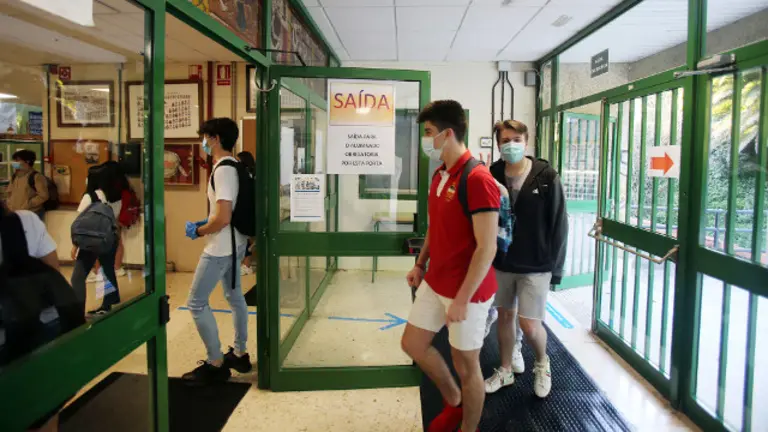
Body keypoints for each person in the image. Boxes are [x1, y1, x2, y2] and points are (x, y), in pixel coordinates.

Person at [401, 100, 500, 432]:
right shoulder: (440, 175)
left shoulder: (477, 178)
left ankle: (468, 428)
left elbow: (487, 248)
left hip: (468, 292)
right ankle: (454, 400)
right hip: (436, 280)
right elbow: (434, 226)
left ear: (448, 133)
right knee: (413, 344)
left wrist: (462, 299)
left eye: (429, 133)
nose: (427, 140)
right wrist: (420, 264)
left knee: (466, 364)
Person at [483, 120, 568, 399]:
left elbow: (559, 224)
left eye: (516, 139)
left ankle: (542, 363)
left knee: (530, 324)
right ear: (497, 144)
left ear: (527, 141)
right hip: (503, 261)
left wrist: (556, 269)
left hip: (536, 263)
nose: (511, 144)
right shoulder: (491, 173)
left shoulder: (546, 176)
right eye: (505, 139)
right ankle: (506, 369)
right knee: (505, 316)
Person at [182, 118, 251, 384]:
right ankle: (240, 353)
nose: (204, 142)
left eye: (206, 137)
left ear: (216, 139)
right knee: (234, 298)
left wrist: (200, 231)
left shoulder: (222, 169)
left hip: (220, 248)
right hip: (236, 242)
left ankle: (215, 362)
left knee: (196, 302)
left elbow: (222, 216)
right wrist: (207, 222)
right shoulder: (235, 166)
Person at [70, 169, 122, 315]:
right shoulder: (114, 196)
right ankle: (108, 304)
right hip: (109, 238)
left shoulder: (89, 196)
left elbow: (81, 223)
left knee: (78, 277)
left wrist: (75, 246)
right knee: (107, 270)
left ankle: (78, 312)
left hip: (91, 239)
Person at [6, 149, 49, 220]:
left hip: (32, 214)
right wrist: (10, 204)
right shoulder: (15, 176)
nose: (15, 163)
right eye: (14, 160)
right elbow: (9, 192)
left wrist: (28, 204)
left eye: (17, 160)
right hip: (16, 213)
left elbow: (43, 195)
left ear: (27, 161)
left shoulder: (36, 176)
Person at [236, 151, 255, 276]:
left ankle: (247, 264)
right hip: (249, 212)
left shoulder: (247, 176)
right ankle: (246, 264)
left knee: (249, 240)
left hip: (249, 212)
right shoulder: (249, 175)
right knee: (247, 240)